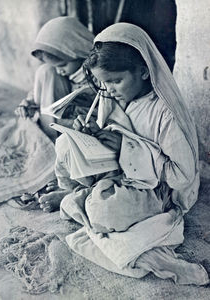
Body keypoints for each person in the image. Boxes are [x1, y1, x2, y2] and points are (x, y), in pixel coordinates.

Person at [39, 22, 209, 285]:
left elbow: (181, 177)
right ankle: (79, 196)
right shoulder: (112, 96)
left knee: (103, 211)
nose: (109, 89)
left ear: (143, 71)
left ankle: (82, 202)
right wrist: (92, 133)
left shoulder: (164, 112)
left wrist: (127, 147)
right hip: (118, 173)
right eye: (102, 82)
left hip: (155, 191)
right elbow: (114, 137)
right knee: (64, 144)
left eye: (116, 80)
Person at [15, 16, 95, 140]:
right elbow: (42, 93)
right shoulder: (60, 72)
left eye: (62, 65)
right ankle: (48, 135)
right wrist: (30, 103)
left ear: (79, 52)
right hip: (54, 122)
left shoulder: (98, 75)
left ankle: (51, 135)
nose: (59, 71)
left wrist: (71, 111)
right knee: (45, 71)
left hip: (80, 125)